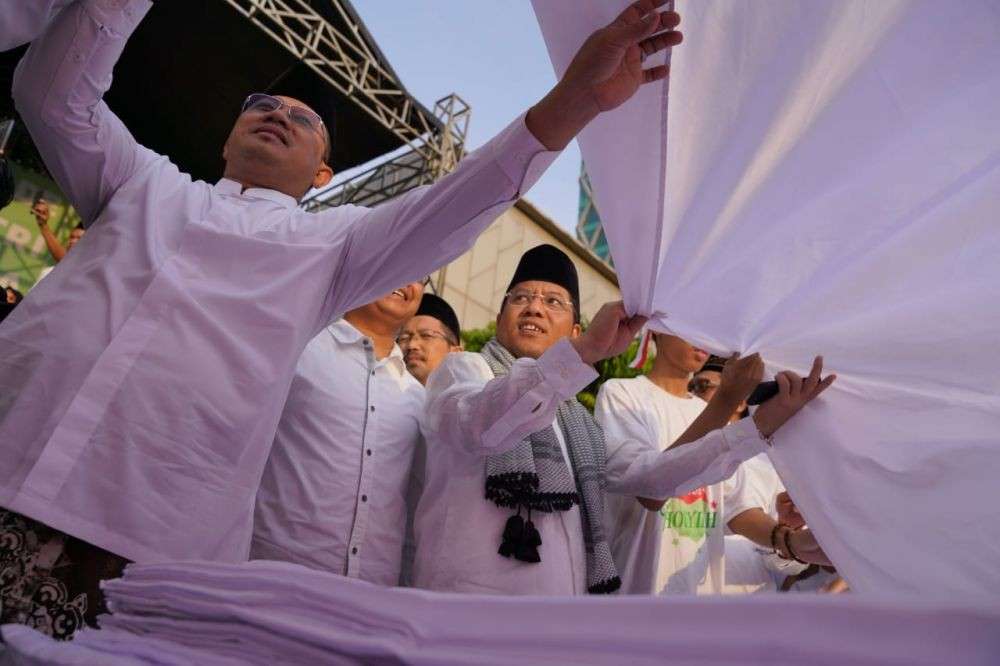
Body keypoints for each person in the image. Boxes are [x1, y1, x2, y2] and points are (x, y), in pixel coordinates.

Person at [0, 0, 686, 636]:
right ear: (225, 140)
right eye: (262, 106)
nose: (279, 115)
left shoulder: (328, 248)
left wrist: (576, 102)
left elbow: (456, 203)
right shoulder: (137, 181)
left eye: (303, 121)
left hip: (152, 544)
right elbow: (50, 94)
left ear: (324, 173)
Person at [412, 244, 835, 595]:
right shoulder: (466, 372)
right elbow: (477, 423)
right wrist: (582, 356)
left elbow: (652, 478)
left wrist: (759, 428)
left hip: (556, 626)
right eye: (520, 298)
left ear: (575, 328)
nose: (534, 309)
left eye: (552, 302)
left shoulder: (580, 426)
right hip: (471, 614)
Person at [252, 282, 425, 586]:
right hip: (274, 578)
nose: (407, 279)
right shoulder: (300, 347)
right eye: (405, 260)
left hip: (371, 595)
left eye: (421, 273)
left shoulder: (417, 396)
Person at [596, 335, 760, 594]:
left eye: (709, 330)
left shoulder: (708, 411)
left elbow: (735, 506)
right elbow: (651, 490)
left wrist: (788, 540)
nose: (703, 338)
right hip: (636, 591)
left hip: (698, 600)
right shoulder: (622, 394)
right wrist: (726, 400)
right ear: (659, 330)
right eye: (689, 327)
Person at [398, 293, 463, 385]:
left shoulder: (469, 397)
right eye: (404, 338)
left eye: (426, 335)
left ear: (455, 353)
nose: (412, 345)